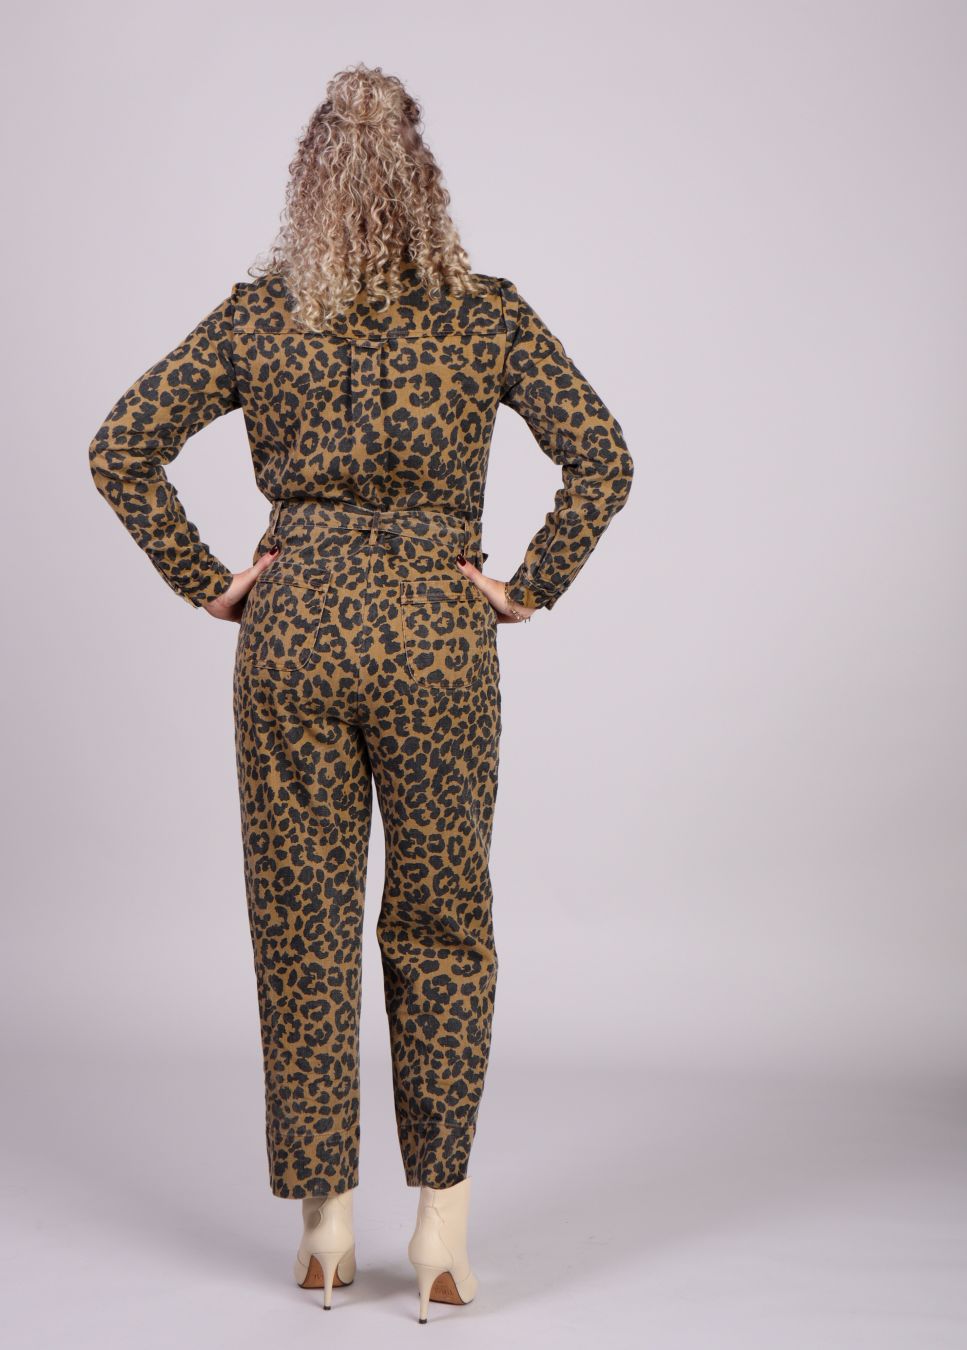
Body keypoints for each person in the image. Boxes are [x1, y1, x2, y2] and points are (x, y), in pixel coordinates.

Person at [88, 62, 633, 1322]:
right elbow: (601, 457)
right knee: (442, 919)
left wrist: (211, 583)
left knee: (303, 922)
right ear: (425, 183)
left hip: (292, 636)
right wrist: (526, 586)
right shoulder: (488, 316)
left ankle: (325, 1230)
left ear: (307, 184)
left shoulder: (259, 316)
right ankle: (441, 1230)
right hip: (438, 637)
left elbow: (122, 446)